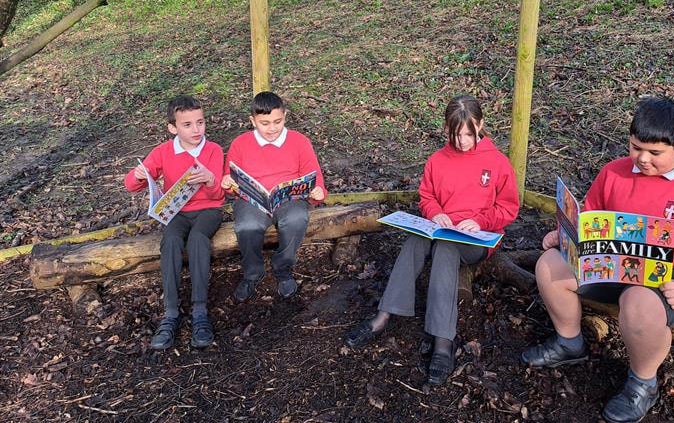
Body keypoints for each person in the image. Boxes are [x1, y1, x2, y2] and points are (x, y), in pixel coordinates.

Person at [521, 97, 674, 423]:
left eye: (654, 153)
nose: (643, 159)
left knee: (637, 301)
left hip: (671, 279)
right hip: (612, 262)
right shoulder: (614, 172)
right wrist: (565, 236)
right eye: (636, 148)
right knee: (550, 265)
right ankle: (569, 342)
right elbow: (590, 216)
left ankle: (642, 382)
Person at [344, 95, 519, 385]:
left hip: (477, 237)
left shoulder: (498, 163)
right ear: (446, 129)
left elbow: (509, 208)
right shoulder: (437, 160)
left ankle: (442, 340)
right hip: (442, 227)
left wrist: (481, 221)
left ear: (481, 126)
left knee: (447, 249)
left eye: (469, 133)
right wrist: (435, 213)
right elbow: (427, 197)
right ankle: (383, 316)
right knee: (414, 240)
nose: (462, 140)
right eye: (455, 134)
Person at [124, 95, 224, 350]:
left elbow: (219, 196)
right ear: (173, 128)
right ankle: (170, 314)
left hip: (208, 211)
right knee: (170, 241)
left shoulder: (212, 150)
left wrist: (211, 180)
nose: (196, 130)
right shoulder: (163, 152)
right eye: (188, 125)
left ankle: (200, 311)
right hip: (176, 212)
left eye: (200, 123)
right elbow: (131, 185)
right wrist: (137, 176)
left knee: (199, 240)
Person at [221, 91, 327, 300]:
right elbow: (229, 180)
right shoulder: (240, 143)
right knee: (247, 226)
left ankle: (283, 267)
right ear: (253, 121)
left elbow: (315, 178)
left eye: (277, 122)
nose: (272, 129)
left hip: (288, 199)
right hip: (252, 200)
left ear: (285, 116)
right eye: (265, 123)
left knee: (296, 219)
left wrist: (317, 192)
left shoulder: (299, 141)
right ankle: (253, 272)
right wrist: (227, 184)